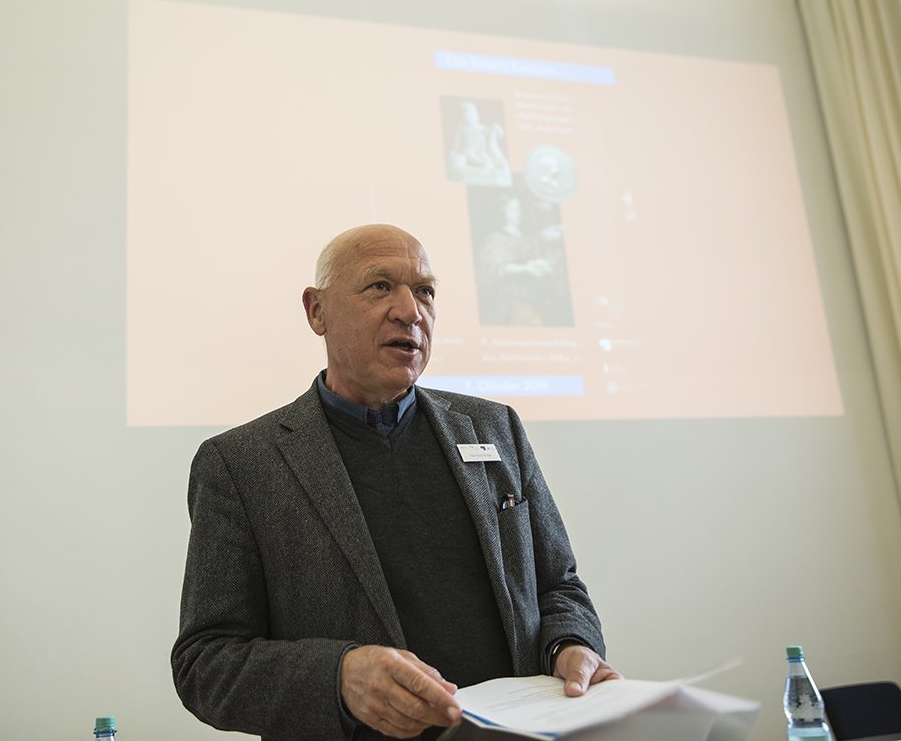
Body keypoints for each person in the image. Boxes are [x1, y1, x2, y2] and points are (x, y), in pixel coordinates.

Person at [171, 224, 617, 741]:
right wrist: (337, 678)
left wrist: (569, 645)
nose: (410, 311)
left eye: (425, 291)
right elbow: (206, 663)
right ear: (317, 311)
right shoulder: (241, 465)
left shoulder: (495, 428)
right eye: (380, 286)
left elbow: (558, 585)